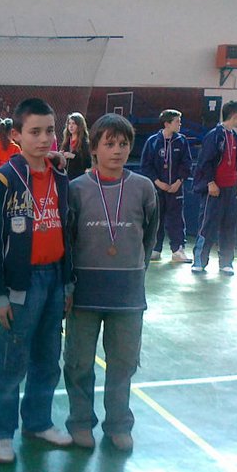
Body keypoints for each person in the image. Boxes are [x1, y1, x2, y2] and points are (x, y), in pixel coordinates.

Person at [63, 113, 159, 452]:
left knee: (123, 363)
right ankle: (80, 422)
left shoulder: (143, 188)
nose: (117, 150)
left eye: (123, 144)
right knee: (78, 363)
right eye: (110, 144)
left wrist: (134, 269)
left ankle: (118, 424)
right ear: (94, 148)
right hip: (85, 294)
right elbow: (67, 242)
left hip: (128, 295)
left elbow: (150, 235)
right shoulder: (76, 189)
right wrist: (68, 286)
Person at [0, 98, 74, 464]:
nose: (44, 139)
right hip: (22, 282)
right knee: (11, 358)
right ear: (17, 135)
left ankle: (38, 422)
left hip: (55, 277)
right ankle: (2, 431)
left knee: (48, 358)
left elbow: (68, 232)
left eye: (49, 131)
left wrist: (67, 282)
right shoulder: (5, 179)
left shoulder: (60, 177)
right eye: (34, 132)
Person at [191, 100, 237, 275]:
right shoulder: (214, 136)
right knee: (207, 225)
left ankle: (226, 263)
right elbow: (205, 162)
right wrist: (210, 182)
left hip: (231, 190)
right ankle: (199, 261)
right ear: (235, 115)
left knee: (229, 226)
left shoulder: (235, 137)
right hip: (215, 190)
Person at [140, 109, 193, 263]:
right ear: (167, 124)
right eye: (177, 121)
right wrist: (158, 182)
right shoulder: (153, 141)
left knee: (176, 219)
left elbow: (186, 164)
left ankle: (178, 250)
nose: (180, 124)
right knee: (156, 219)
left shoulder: (182, 141)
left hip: (176, 189)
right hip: (157, 189)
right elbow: (146, 165)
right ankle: (155, 249)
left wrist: (178, 182)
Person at [60, 112, 92, 180]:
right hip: (65, 177)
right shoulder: (67, 141)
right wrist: (60, 155)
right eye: (69, 123)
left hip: (78, 178)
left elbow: (88, 163)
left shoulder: (84, 142)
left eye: (73, 123)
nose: (71, 126)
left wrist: (73, 156)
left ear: (79, 125)